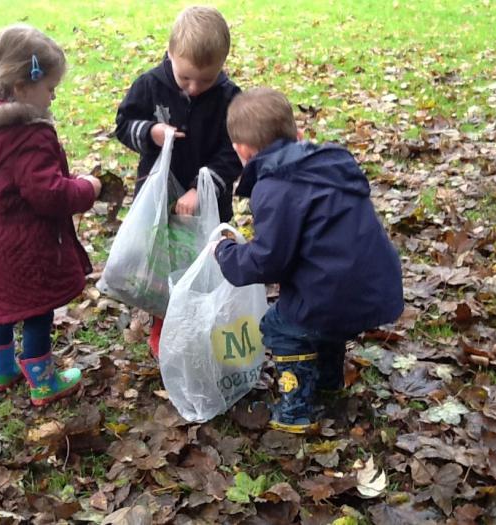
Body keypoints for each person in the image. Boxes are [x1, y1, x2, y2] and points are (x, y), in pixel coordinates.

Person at [215, 88, 404, 433]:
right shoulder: (332, 164)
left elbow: (271, 261)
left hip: (331, 293)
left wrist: (227, 255)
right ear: (298, 135)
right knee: (321, 320)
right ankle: (329, 381)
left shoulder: (273, 188)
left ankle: (295, 408)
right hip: (374, 287)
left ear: (242, 151)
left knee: (279, 326)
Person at [0, 25, 102, 406]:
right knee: (36, 308)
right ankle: (43, 380)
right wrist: (87, 188)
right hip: (24, 242)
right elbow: (48, 194)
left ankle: (2, 368)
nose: (52, 97)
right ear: (21, 88)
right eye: (49, 89)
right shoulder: (27, 136)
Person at [114, 6, 241, 358]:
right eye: (186, 78)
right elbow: (124, 124)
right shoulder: (150, 85)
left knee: (204, 264)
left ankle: (203, 324)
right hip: (158, 201)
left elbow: (234, 153)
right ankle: (163, 326)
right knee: (164, 267)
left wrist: (201, 190)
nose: (195, 87)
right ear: (170, 53)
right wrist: (151, 132)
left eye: (206, 79)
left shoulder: (229, 98)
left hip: (207, 203)